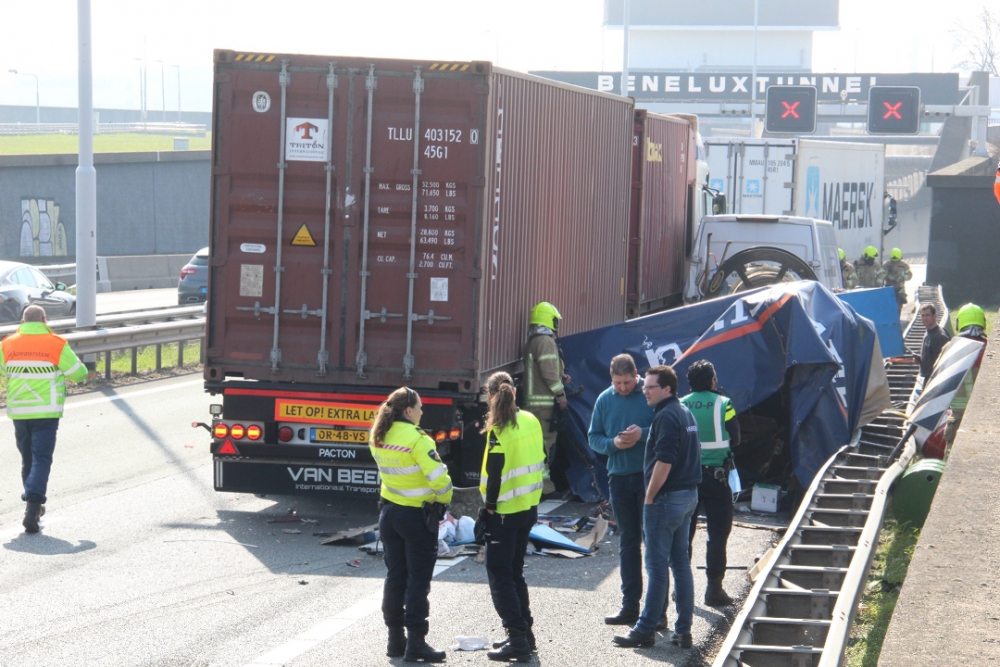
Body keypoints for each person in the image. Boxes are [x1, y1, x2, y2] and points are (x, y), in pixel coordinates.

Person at [613, 365, 701, 650]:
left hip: (665, 500)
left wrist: (649, 497)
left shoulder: (665, 416)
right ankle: (683, 631)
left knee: (656, 567)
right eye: (646, 386)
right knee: (680, 566)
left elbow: (665, 461)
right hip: (688, 497)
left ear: (667, 389)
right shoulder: (686, 413)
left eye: (650, 387)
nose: (645, 391)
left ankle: (645, 628)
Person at [369, 386, 453, 663]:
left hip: (389, 514)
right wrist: (444, 501)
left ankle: (395, 641)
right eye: (419, 407)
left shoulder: (379, 435)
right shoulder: (419, 439)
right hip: (416, 518)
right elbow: (440, 480)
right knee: (418, 582)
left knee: (395, 577)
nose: (422, 411)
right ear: (408, 410)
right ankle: (416, 643)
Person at [588, 354, 666, 629]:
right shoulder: (604, 399)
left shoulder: (651, 392)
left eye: (627, 382)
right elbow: (593, 437)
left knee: (654, 544)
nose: (623, 388)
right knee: (628, 543)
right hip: (619, 478)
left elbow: (667, 426)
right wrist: (613, 444)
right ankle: (630, 607)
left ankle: (658, 611)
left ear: (637, 375)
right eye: (617, 383)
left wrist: (642, 434)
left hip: (650, 478)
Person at [0, 305, 87, 533]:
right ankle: (33, 506)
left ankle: (32, 504)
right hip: (46, 412)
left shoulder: (7, 343)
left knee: (27, 458)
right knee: (41, 459)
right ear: (44, 320)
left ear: (23, 320)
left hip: (19, 411)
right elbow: (79, 374)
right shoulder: (55, 343)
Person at [479, 371, 546, 662]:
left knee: (499, 574)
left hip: (503, 512)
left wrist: (488, 507)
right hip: (527, 508)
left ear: (490, 396)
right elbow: (542, 455)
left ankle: (517, 638)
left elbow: (494, 476)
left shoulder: (499, 430)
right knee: (514, 571)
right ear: (515, 393)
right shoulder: (531, 420)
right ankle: (525, 635)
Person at [680, 361, 741, 607]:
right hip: (716, 478)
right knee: (717, 534)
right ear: (713, 381)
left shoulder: (681, 404)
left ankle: (681, 589)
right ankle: (713, 590)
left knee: (684, 534)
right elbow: (735, 438)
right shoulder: (724, 404)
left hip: (686, 478)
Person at [522, 302, 570, 495]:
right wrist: (561, 395)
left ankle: (540, 488)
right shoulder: (546, 341)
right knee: (545, 447)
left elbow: (546, 370)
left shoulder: (534, 341)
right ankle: (545, 489)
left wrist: (561, 376)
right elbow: (549, 374)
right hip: (543, 406)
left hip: (534, 404)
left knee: (536, 446)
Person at [946, 303, 988, 443]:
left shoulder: (951, 349)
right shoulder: (991, 349)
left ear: (959, 323)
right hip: (985, 418)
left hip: (958, 419)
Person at [918, 303, 950, 380]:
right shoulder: (928, 332)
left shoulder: (940, 336)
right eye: (923, 315)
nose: (925, 318)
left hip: (935, 379)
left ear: (934, 316)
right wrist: (920, 360)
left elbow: (941, 363)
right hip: (927, 377)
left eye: (927, 315)